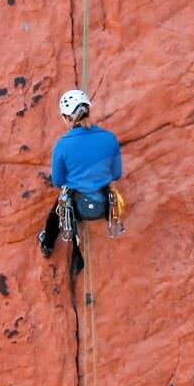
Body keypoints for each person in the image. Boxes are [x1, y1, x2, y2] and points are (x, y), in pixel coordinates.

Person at [39, 89, 124, 265]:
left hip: (75, 206)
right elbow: (116, 174)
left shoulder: (62, 145)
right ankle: (110, 219)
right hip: (103, 203)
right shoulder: (110, 138)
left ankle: (47, 245)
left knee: (54, 215)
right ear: (89, 111)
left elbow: (58, 181)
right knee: (111, 192)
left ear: (67, 118)